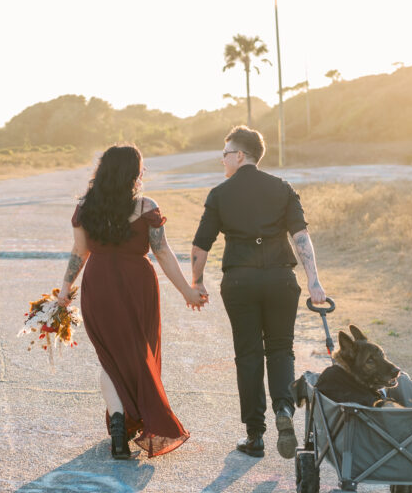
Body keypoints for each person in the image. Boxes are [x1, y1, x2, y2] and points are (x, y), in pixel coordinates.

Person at [58, 145, 207, 459]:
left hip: (97, 285)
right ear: (135, 173)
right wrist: (187, 292)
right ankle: (131, 419)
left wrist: (64, 289)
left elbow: (79, 252)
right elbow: (162, 252)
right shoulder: (146, 207)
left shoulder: (86, 207)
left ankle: (117, 422)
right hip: (136, 286)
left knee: (108, 357)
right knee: (139, 353)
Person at [190, 126, 327, 459]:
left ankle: (254, 436)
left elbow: (200, 245)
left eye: (225, 154)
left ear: (239, 155)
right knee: (281, 349)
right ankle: (283, 409)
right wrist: (314, 281)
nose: (222, 161)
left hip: (240, 282)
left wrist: (197, 281)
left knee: (248, 355)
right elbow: (301, 238)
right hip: (281, 280)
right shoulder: (282, 189)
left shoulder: (220, 194)